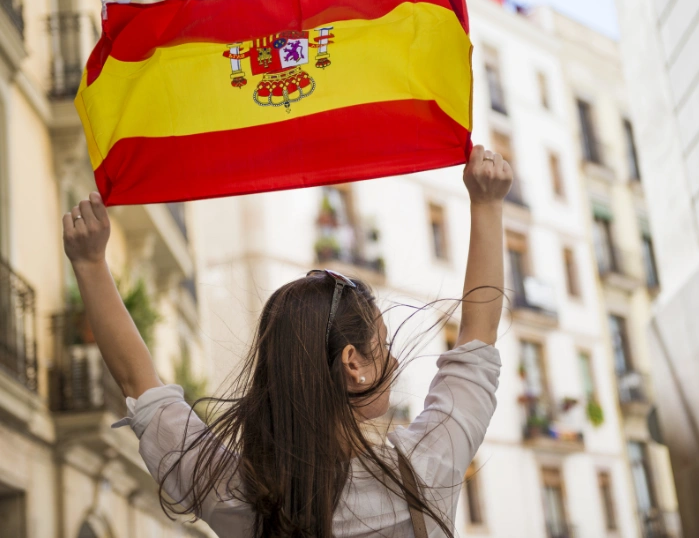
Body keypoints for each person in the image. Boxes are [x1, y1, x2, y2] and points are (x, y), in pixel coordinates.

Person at [62, 145, 512, 537]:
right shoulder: (427, 465)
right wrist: (487, 203)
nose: (393, 361)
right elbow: (477, 335)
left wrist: (89, 262)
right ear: (352, 364)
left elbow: (139, 383)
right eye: (382, 345)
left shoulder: (236, 492)